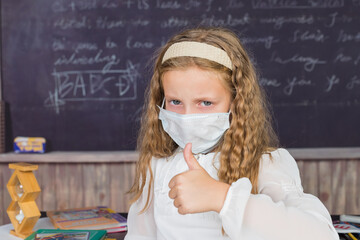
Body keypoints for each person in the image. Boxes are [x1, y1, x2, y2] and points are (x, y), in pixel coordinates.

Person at [124, 27, 339, 240]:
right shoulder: (158, 164)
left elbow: (322, 235)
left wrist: (221, 197)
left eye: (205, 103)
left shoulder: (265, 164)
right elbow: (140, 234)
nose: (188, 116)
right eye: (175, 102)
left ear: (235, 103)